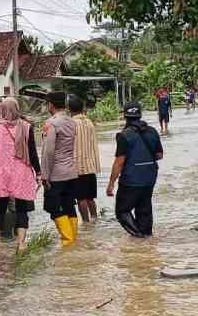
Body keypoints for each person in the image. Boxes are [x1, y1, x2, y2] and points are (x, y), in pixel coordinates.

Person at [0, 97, 40, 252]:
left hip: (2, 173)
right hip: (21, 172)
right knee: (22, 208)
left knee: (0, 208)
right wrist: (38, 172)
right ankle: (21, 243)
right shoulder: (26, 127)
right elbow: (32, 153)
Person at [107, 103, 163, 238]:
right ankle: (147, 240)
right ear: (140, 114)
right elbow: (159, 155)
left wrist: (111, 183)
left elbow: (119, 162)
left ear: (125, 116)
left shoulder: (124, 136)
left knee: (122, 211)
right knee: (144, 210)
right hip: (149, 178)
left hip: (131, 180)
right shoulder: (152, 131)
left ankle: (139, 237)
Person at [41, 91, 79, 244]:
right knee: (69, 206)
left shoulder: (51, 123)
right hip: (71, 171)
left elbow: (48, 152)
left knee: (53, 207)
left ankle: (68, 241)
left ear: (50, 105)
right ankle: (73, 241)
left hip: (56, 173)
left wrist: (45, 174)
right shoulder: (72, 122)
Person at [68, 95, 100, 223]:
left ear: (69, 108)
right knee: (90, 198)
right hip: (90, 166)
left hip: (77, 167)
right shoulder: (89, 122)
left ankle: (86, 223)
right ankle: (95, 219)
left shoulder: (70, 124)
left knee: (80, 198)